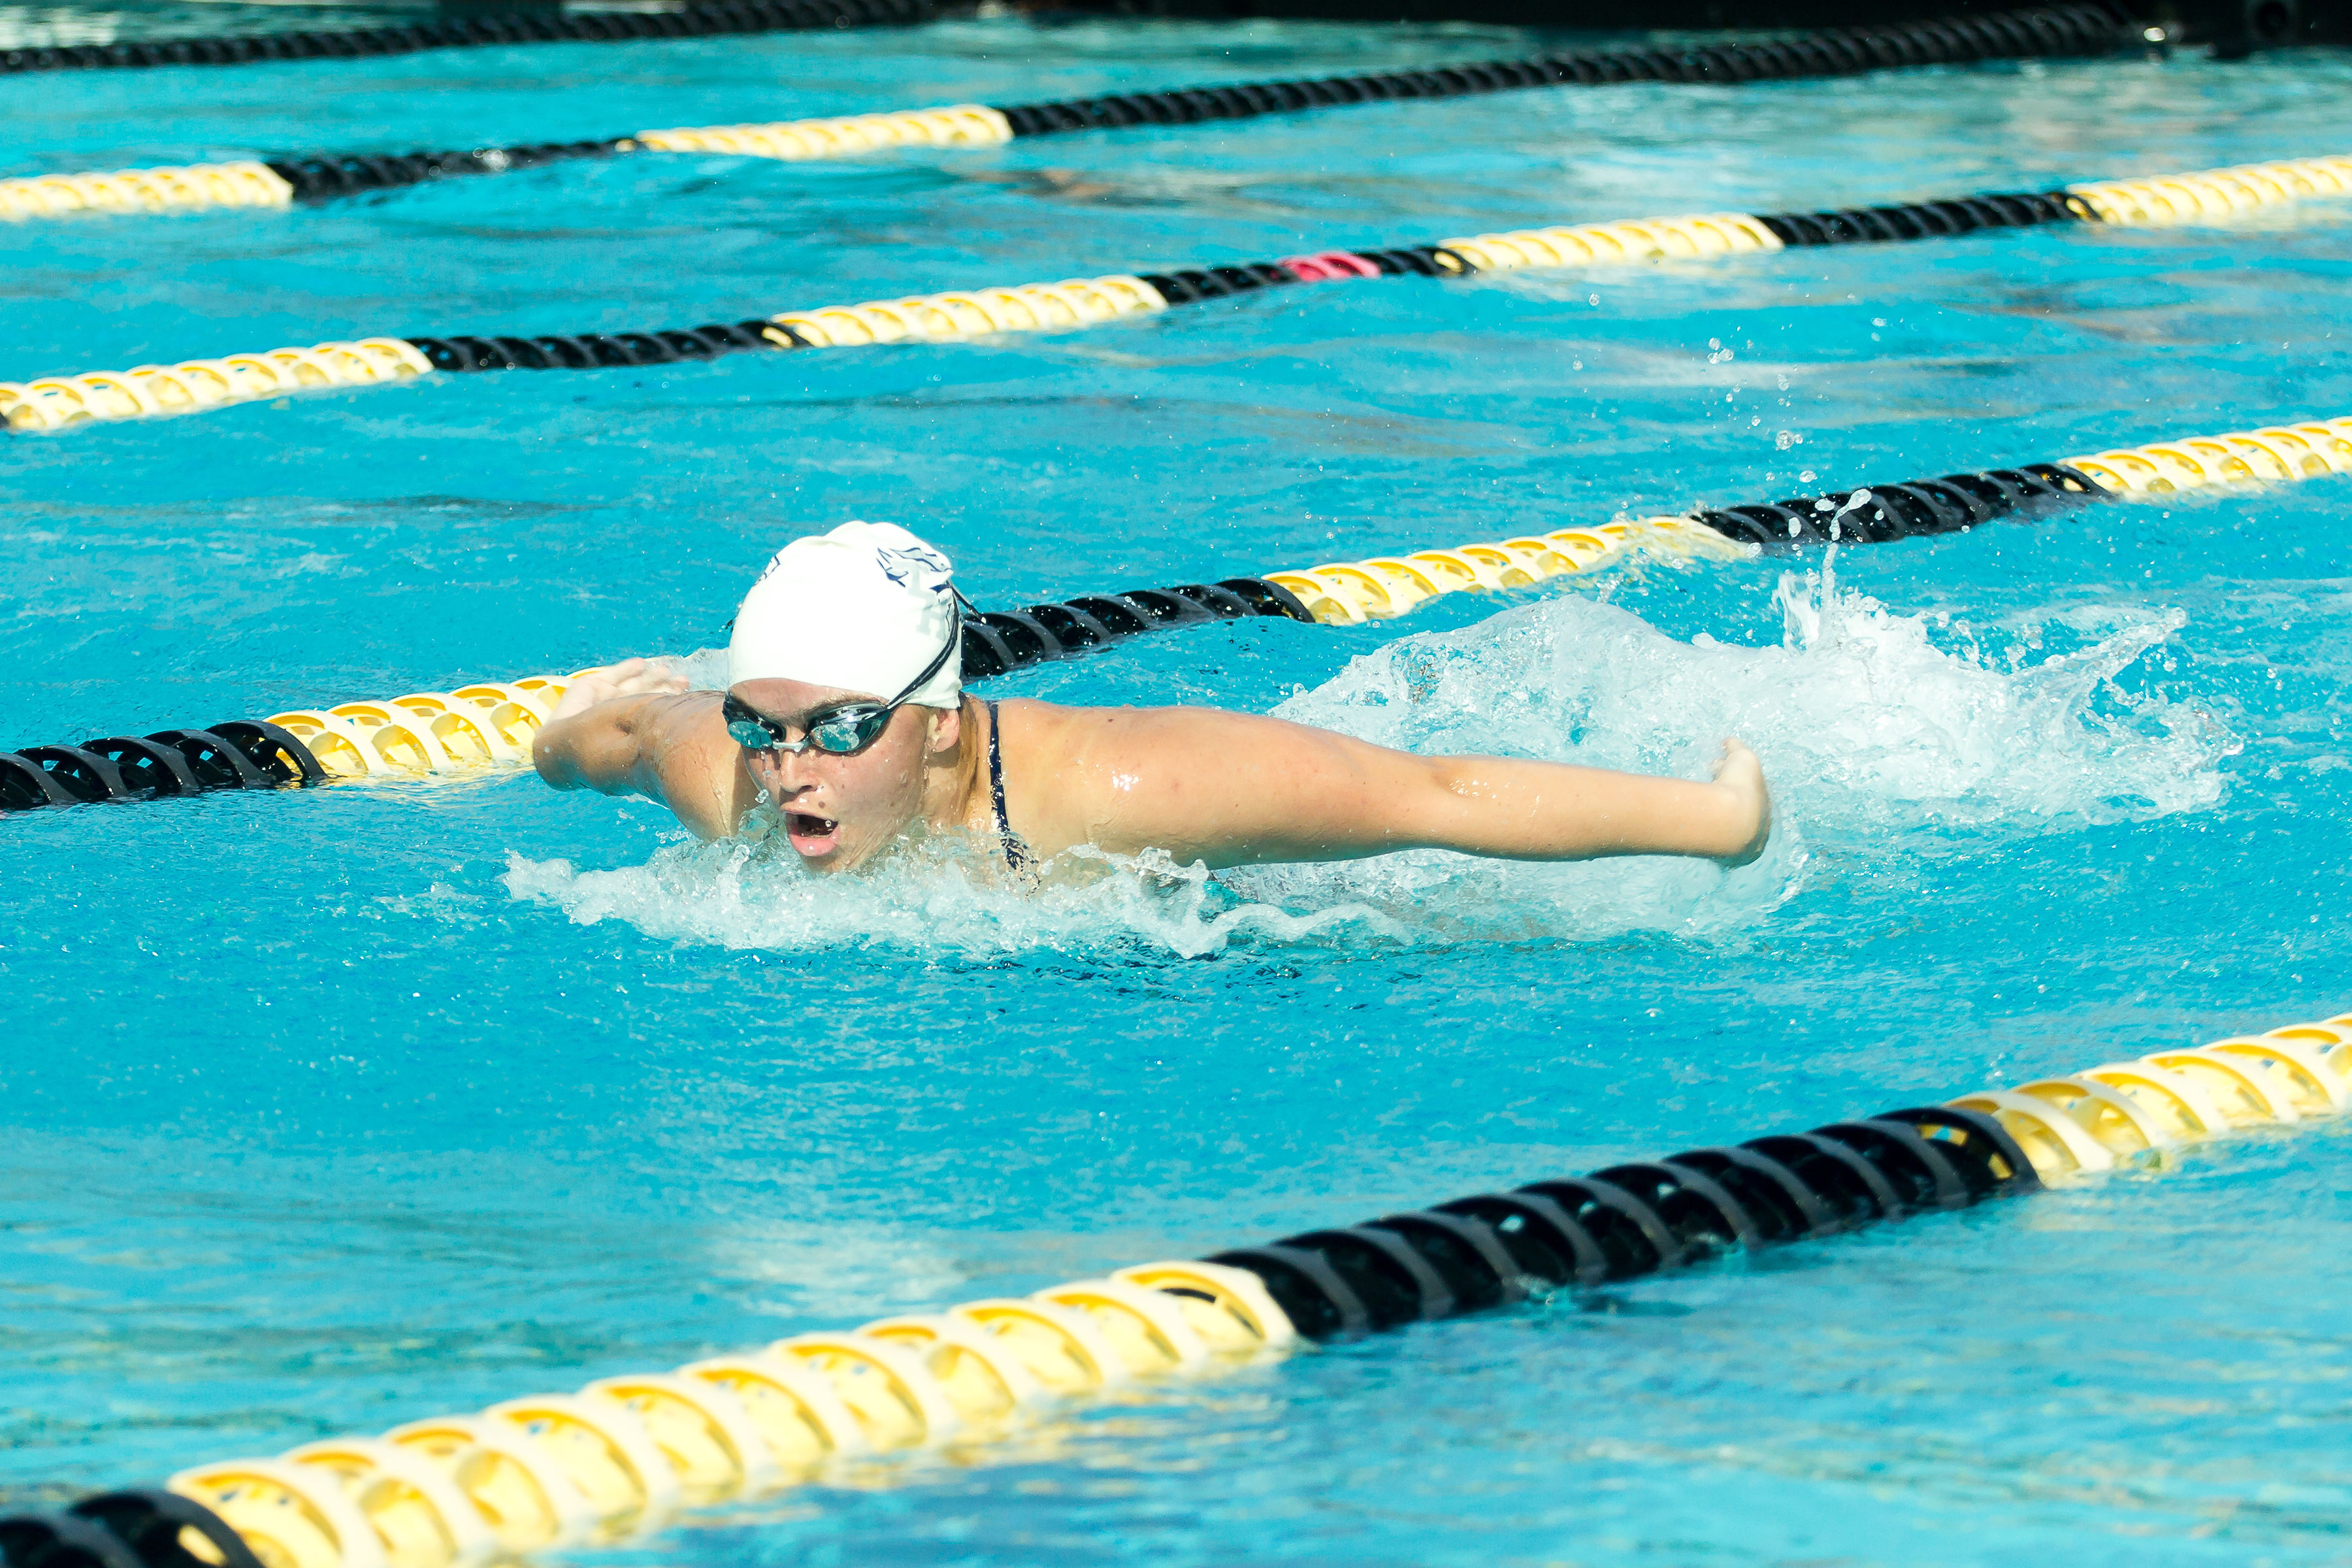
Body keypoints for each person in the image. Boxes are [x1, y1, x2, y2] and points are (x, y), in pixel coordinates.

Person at [532, 522, 1772, 879]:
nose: (791, 767)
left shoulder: (1138, 787)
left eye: (844, 726)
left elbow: (1436, 795)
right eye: (766, 726)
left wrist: (1715, 824)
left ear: (944, 719)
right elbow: (627, 732)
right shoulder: (735, 784)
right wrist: (557, 733)